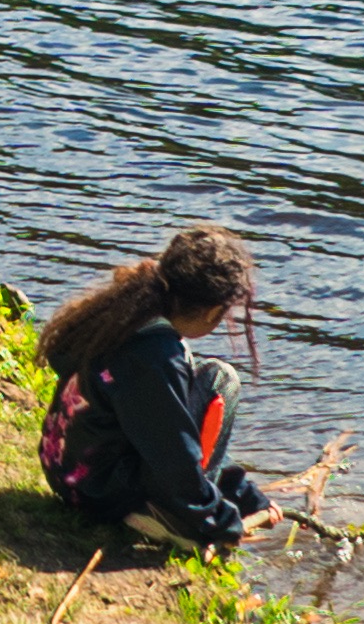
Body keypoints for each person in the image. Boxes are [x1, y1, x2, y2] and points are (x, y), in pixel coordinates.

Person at [34, 222, 276, 551]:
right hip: (99, 492)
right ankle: (168, 516)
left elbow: (182, 433)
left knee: (202, 382)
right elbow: (176, 457)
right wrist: (219, 520)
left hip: (66, 470)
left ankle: (186, 504)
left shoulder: (129, 316)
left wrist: (245, 496)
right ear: (212, 310)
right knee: (221, 379)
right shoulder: (156, 358)